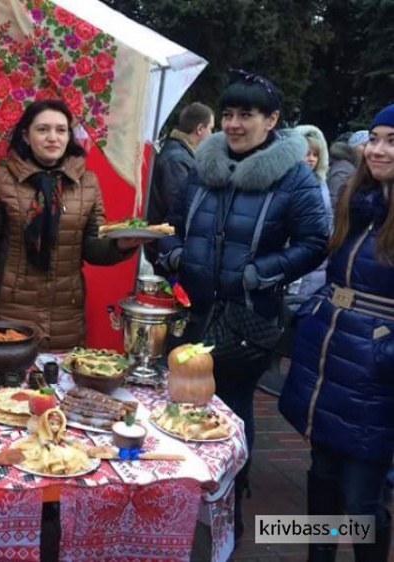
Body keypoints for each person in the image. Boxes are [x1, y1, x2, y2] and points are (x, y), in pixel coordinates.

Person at [157, 70, 329, 539]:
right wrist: (172, 255)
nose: (233, 124)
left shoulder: (293, 177)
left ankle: (229, 501)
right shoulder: (203, 167)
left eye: (246, 115)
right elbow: (172, 224)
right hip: (195, 310)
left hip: (248, 318)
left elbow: (315, 240)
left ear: (271, 120)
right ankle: (188, 497)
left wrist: (260, 272)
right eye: (228, 114)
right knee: (184, 403)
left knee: (230, 411)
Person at [279, 103, 394, 561]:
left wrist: (385, 352)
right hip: (330, 362)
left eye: (392, 142)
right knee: (322, 476)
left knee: (363, 496)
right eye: (375, 139)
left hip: (375, 376)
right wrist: (314, 316)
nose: (377, 150)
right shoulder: (358, 204)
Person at [0, 99, 141, 350]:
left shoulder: (87, 182)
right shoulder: (4, 179)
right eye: (43, 129)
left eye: (61, 130)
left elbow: (93, 247)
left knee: (57, 387)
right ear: (26, 136)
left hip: (65, 318)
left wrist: (120, 245)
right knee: (9, 388)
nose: (53, 137)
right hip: (9, 313)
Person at [147, 101, 215, 226]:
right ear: (200, 129)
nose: (212, 135)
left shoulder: (180, 153)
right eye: (210, 129)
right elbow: (180, 206)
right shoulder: (177, 159)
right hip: (164, 238)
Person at [295, 124, 333, 297]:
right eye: (307, 153)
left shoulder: (321, 183)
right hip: (295, 258)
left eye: (316, 155)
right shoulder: (288, 185)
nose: (311, 159)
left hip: (317, 260)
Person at [328, 129, 367, 208]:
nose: (369, 149)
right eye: (364, 145)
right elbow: (336, 201)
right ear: (353, 147)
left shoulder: (356, 167)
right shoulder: (344, 168)